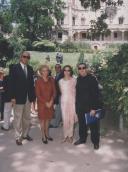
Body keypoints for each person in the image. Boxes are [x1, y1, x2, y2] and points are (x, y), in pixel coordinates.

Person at [74, 63, 102, 150]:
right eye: (80, 68)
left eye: (83, 68)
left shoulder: (92, 79)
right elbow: (77, 94)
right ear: (78, 70)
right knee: (82, 125)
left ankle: (95, 142)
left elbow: (96, 95)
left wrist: (94, 108)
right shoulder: (78, 79)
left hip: (90, 107)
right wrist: (77, 107)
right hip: (80, 107)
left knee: (93, 126)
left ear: (86, 69)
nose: (81, 69)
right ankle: (82, 139)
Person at [10, 51, 36, 145]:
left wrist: (33, 98)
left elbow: (31, 84)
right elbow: (11, 83)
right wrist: (12, 97)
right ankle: (18, 137)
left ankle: (25, 135)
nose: (26, 58)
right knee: (17, 118)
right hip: (18, 97)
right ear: (21, 57)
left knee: (27, 118)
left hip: (28, 98)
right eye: (24, 56)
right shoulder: (14, 68)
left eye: (28, 57)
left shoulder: (30, 68)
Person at [35, 65, 56, 144]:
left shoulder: (52, 80)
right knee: (42, 121)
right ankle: (43, 136)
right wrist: (46, 102)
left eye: (46, 70)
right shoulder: (38, 81)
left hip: (50, 103)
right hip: (41, 104)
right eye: (43, 70)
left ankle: (47, 134)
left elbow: (54, 92)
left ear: (48, 71)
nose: (45, 72)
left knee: (48, 119)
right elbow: (38, 94)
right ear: (40, 72)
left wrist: (51, 101)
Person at [59, 65, 77, 143]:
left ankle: (70, 136)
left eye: (68, 70)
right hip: (64, 102)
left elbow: (76, 92)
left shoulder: (74, 80)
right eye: (65, 70)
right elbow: (61, 92)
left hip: (72, 101)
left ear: (70, 71)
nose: (67, 72)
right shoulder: (60, 81)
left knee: (71, 120)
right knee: (65, 119)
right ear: (63, 71)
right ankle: (65, 136)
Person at [1, 65, 14, 130]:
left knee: (6, 112)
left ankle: (6, 126)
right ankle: (14, 125)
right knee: (14, 112)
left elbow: (4, 88)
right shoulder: (17, 78)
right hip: (15, 98)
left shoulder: (6, 77)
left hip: (7, 97)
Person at [50, 64, 63, 128]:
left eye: (58, 67)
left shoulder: (62, 75)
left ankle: (56, 124)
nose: (57, 69)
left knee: (58, 109)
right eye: (56, 67)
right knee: (58, 109)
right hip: (57, 95)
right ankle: (57, 122)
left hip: (61, 95)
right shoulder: (57, 75)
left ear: (61, 68)